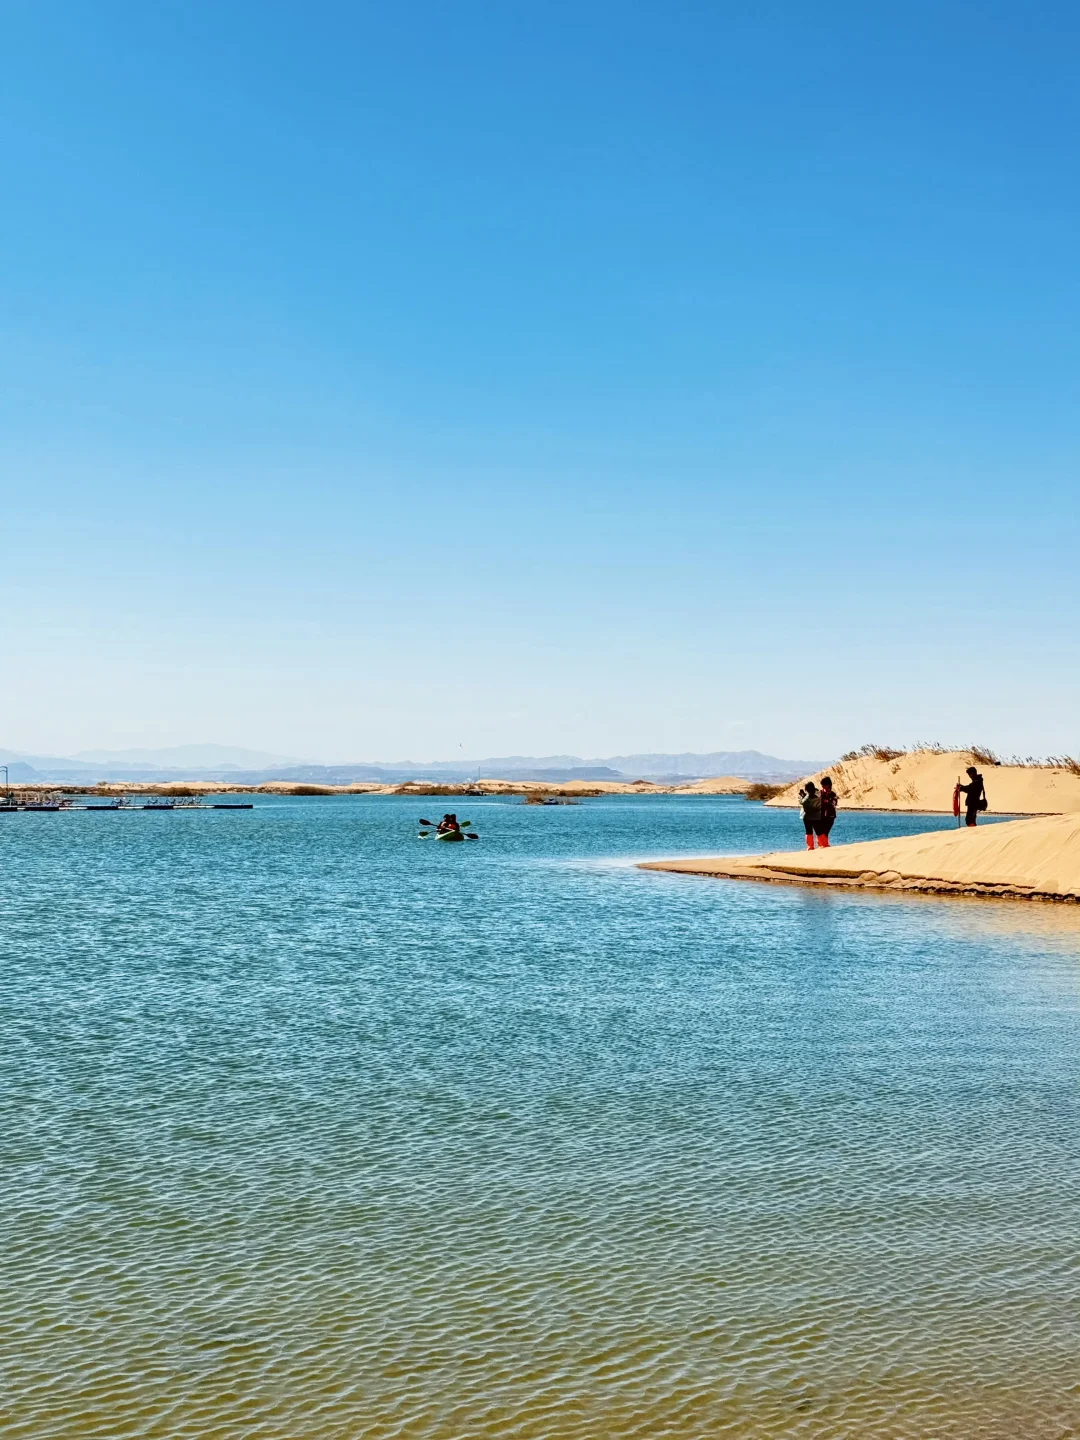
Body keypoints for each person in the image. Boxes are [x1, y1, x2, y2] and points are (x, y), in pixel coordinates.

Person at [799, 781, 822, 850]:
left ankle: (810, 847)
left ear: (807, 789)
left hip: (807, 816)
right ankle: (822, 844)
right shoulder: (819, 795)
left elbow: (802, 802)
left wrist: (802, 796)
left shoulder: (807, 797)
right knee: (818, 831)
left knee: (808, 831)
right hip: (817, 815)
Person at [817, 776, 838, 847]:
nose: (823, 786)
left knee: (826, 831)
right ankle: (822, 845)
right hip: (821, 815)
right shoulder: (820, 793)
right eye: (822, 785)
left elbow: (834, 803)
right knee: (821, 831)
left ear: (828, 785)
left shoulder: (833, 794)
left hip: (830, 815)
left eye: (824, 785)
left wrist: (828, 801)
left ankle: (824, 845)